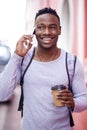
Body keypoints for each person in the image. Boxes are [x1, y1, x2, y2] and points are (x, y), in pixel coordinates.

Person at [0, 7, 87, 130]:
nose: (46, 32)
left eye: (52, 27)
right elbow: (2, 94)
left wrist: (73, 102)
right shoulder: (24, 59)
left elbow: (84, 98)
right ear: (35, 30)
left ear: (59, 30)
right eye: (40, 27)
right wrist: (16, 56)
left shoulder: (71, 62)